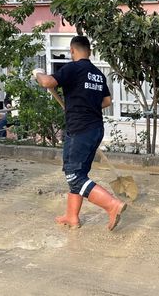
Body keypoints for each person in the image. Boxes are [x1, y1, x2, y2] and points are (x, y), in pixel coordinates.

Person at [32, 35, 126, 231]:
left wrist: (38, 73)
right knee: (77, 172)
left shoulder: (73, 68)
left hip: (80, 129)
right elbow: (107, 102)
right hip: (94, 128)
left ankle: (112, 205)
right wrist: (86, 104)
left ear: (72, 50)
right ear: (89, 52)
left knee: (75, 176)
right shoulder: (98, 74)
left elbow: (47, 82)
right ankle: (71, 216)